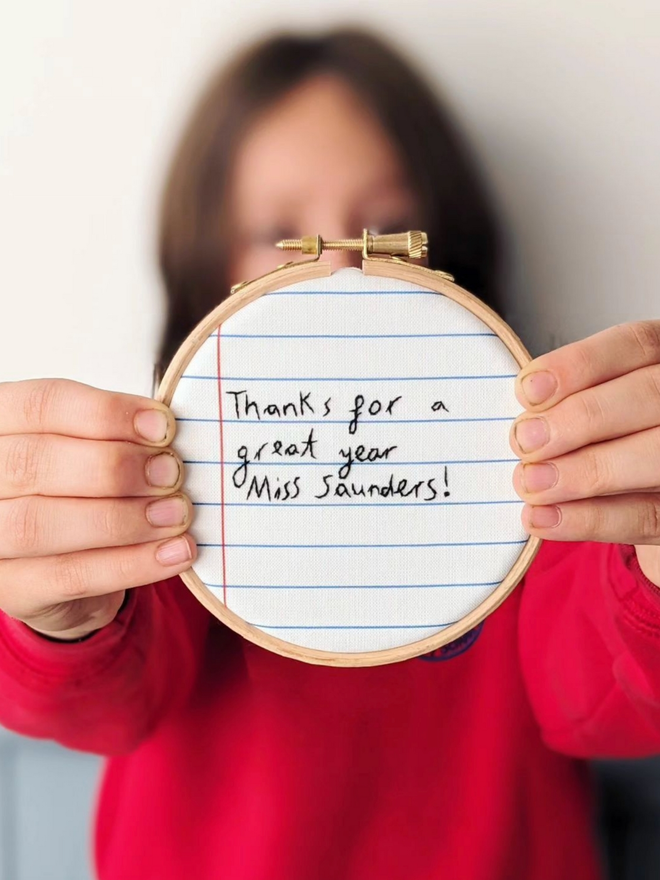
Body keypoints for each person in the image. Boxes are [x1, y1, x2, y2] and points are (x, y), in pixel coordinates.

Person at [0, 27, 659, 880]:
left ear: (449, 249)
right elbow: (106, 704)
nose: (338, 268)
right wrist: (61, 614)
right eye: (279, 234)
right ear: (204, 275)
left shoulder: (531, 457)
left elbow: (604, 692)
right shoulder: (162, 478)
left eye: (389, 228)